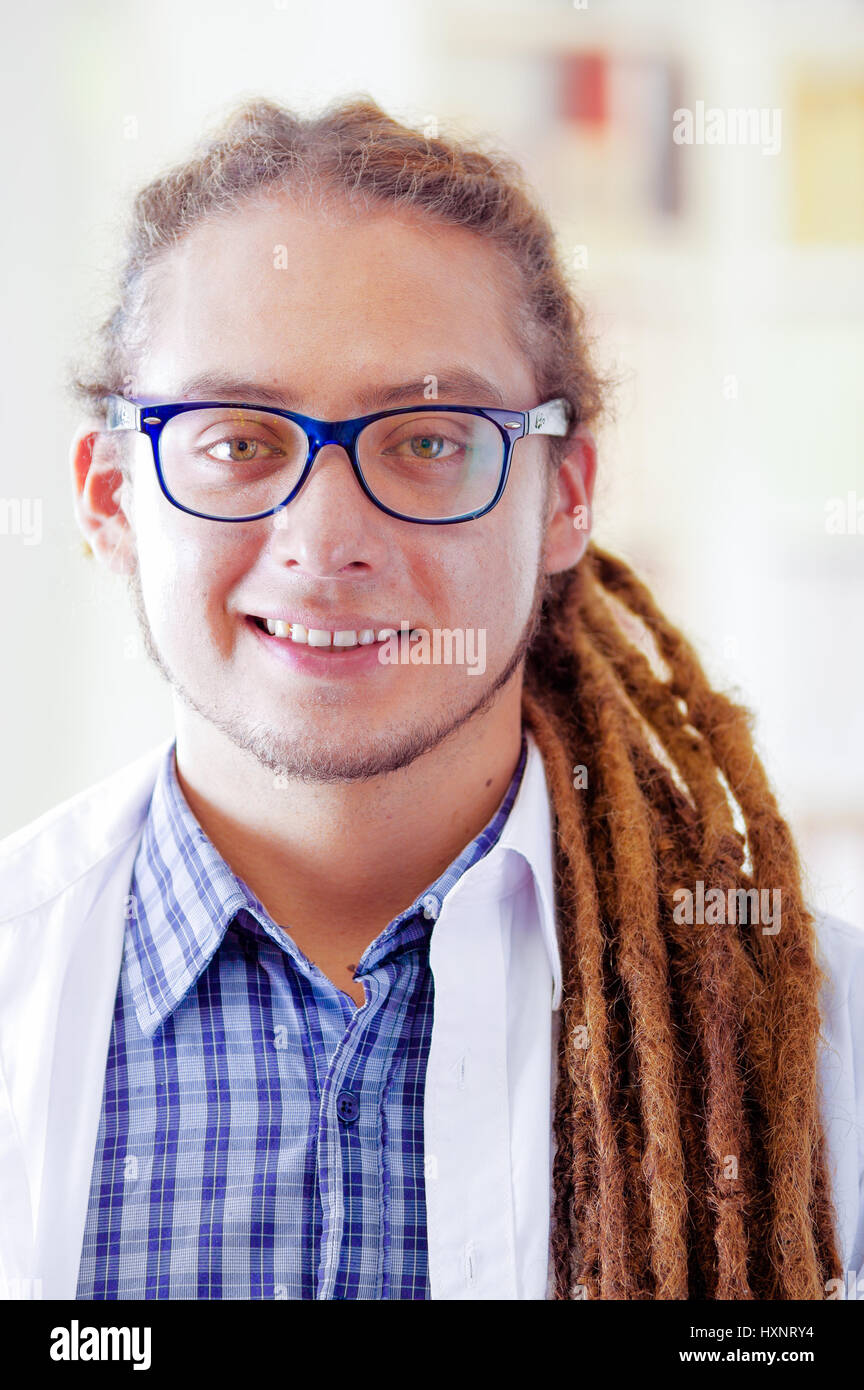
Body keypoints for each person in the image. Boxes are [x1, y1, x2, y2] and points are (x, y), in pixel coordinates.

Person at [0, 95, 861, 1302]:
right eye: (238, 440)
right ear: (107, 499)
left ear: (567, 497)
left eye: (430, 439)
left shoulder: (818, 1048)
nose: (323, 540)